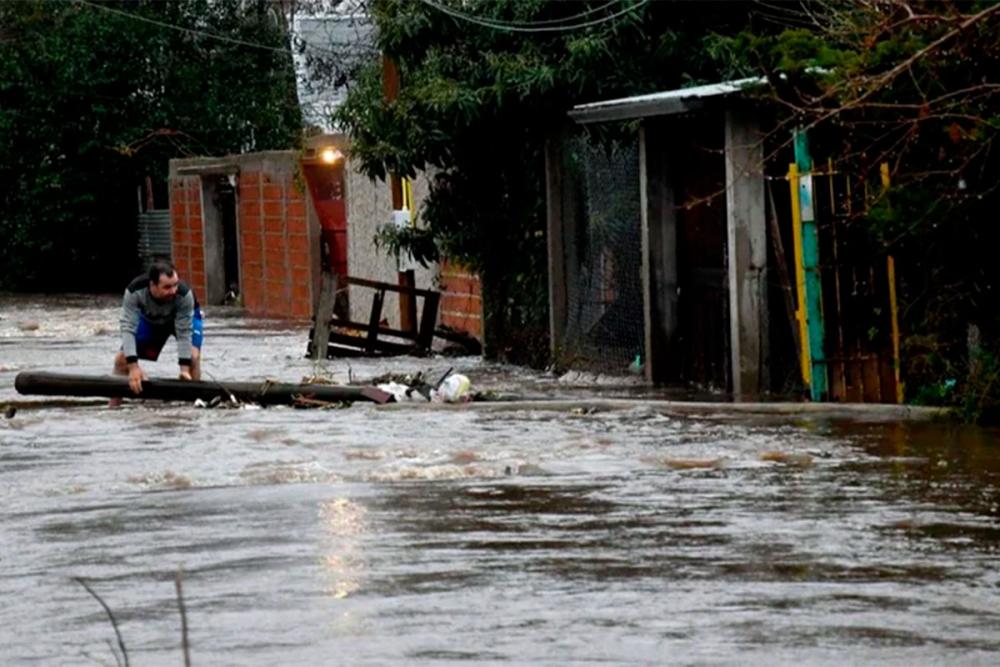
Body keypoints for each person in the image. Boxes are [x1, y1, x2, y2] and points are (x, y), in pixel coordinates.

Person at [112, 258, 203, 400]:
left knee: (193, 356)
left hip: (182, 319)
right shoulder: (134, 291)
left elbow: (184, 332)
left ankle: (195, 404)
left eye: (175, 285)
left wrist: (184, 370)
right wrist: (133, 367)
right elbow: (127, 328)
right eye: (167, 287)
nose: (173, 291)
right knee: (121, 360)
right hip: (152, 319)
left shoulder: (184, 295)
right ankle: (114, 409)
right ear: (152, 285)